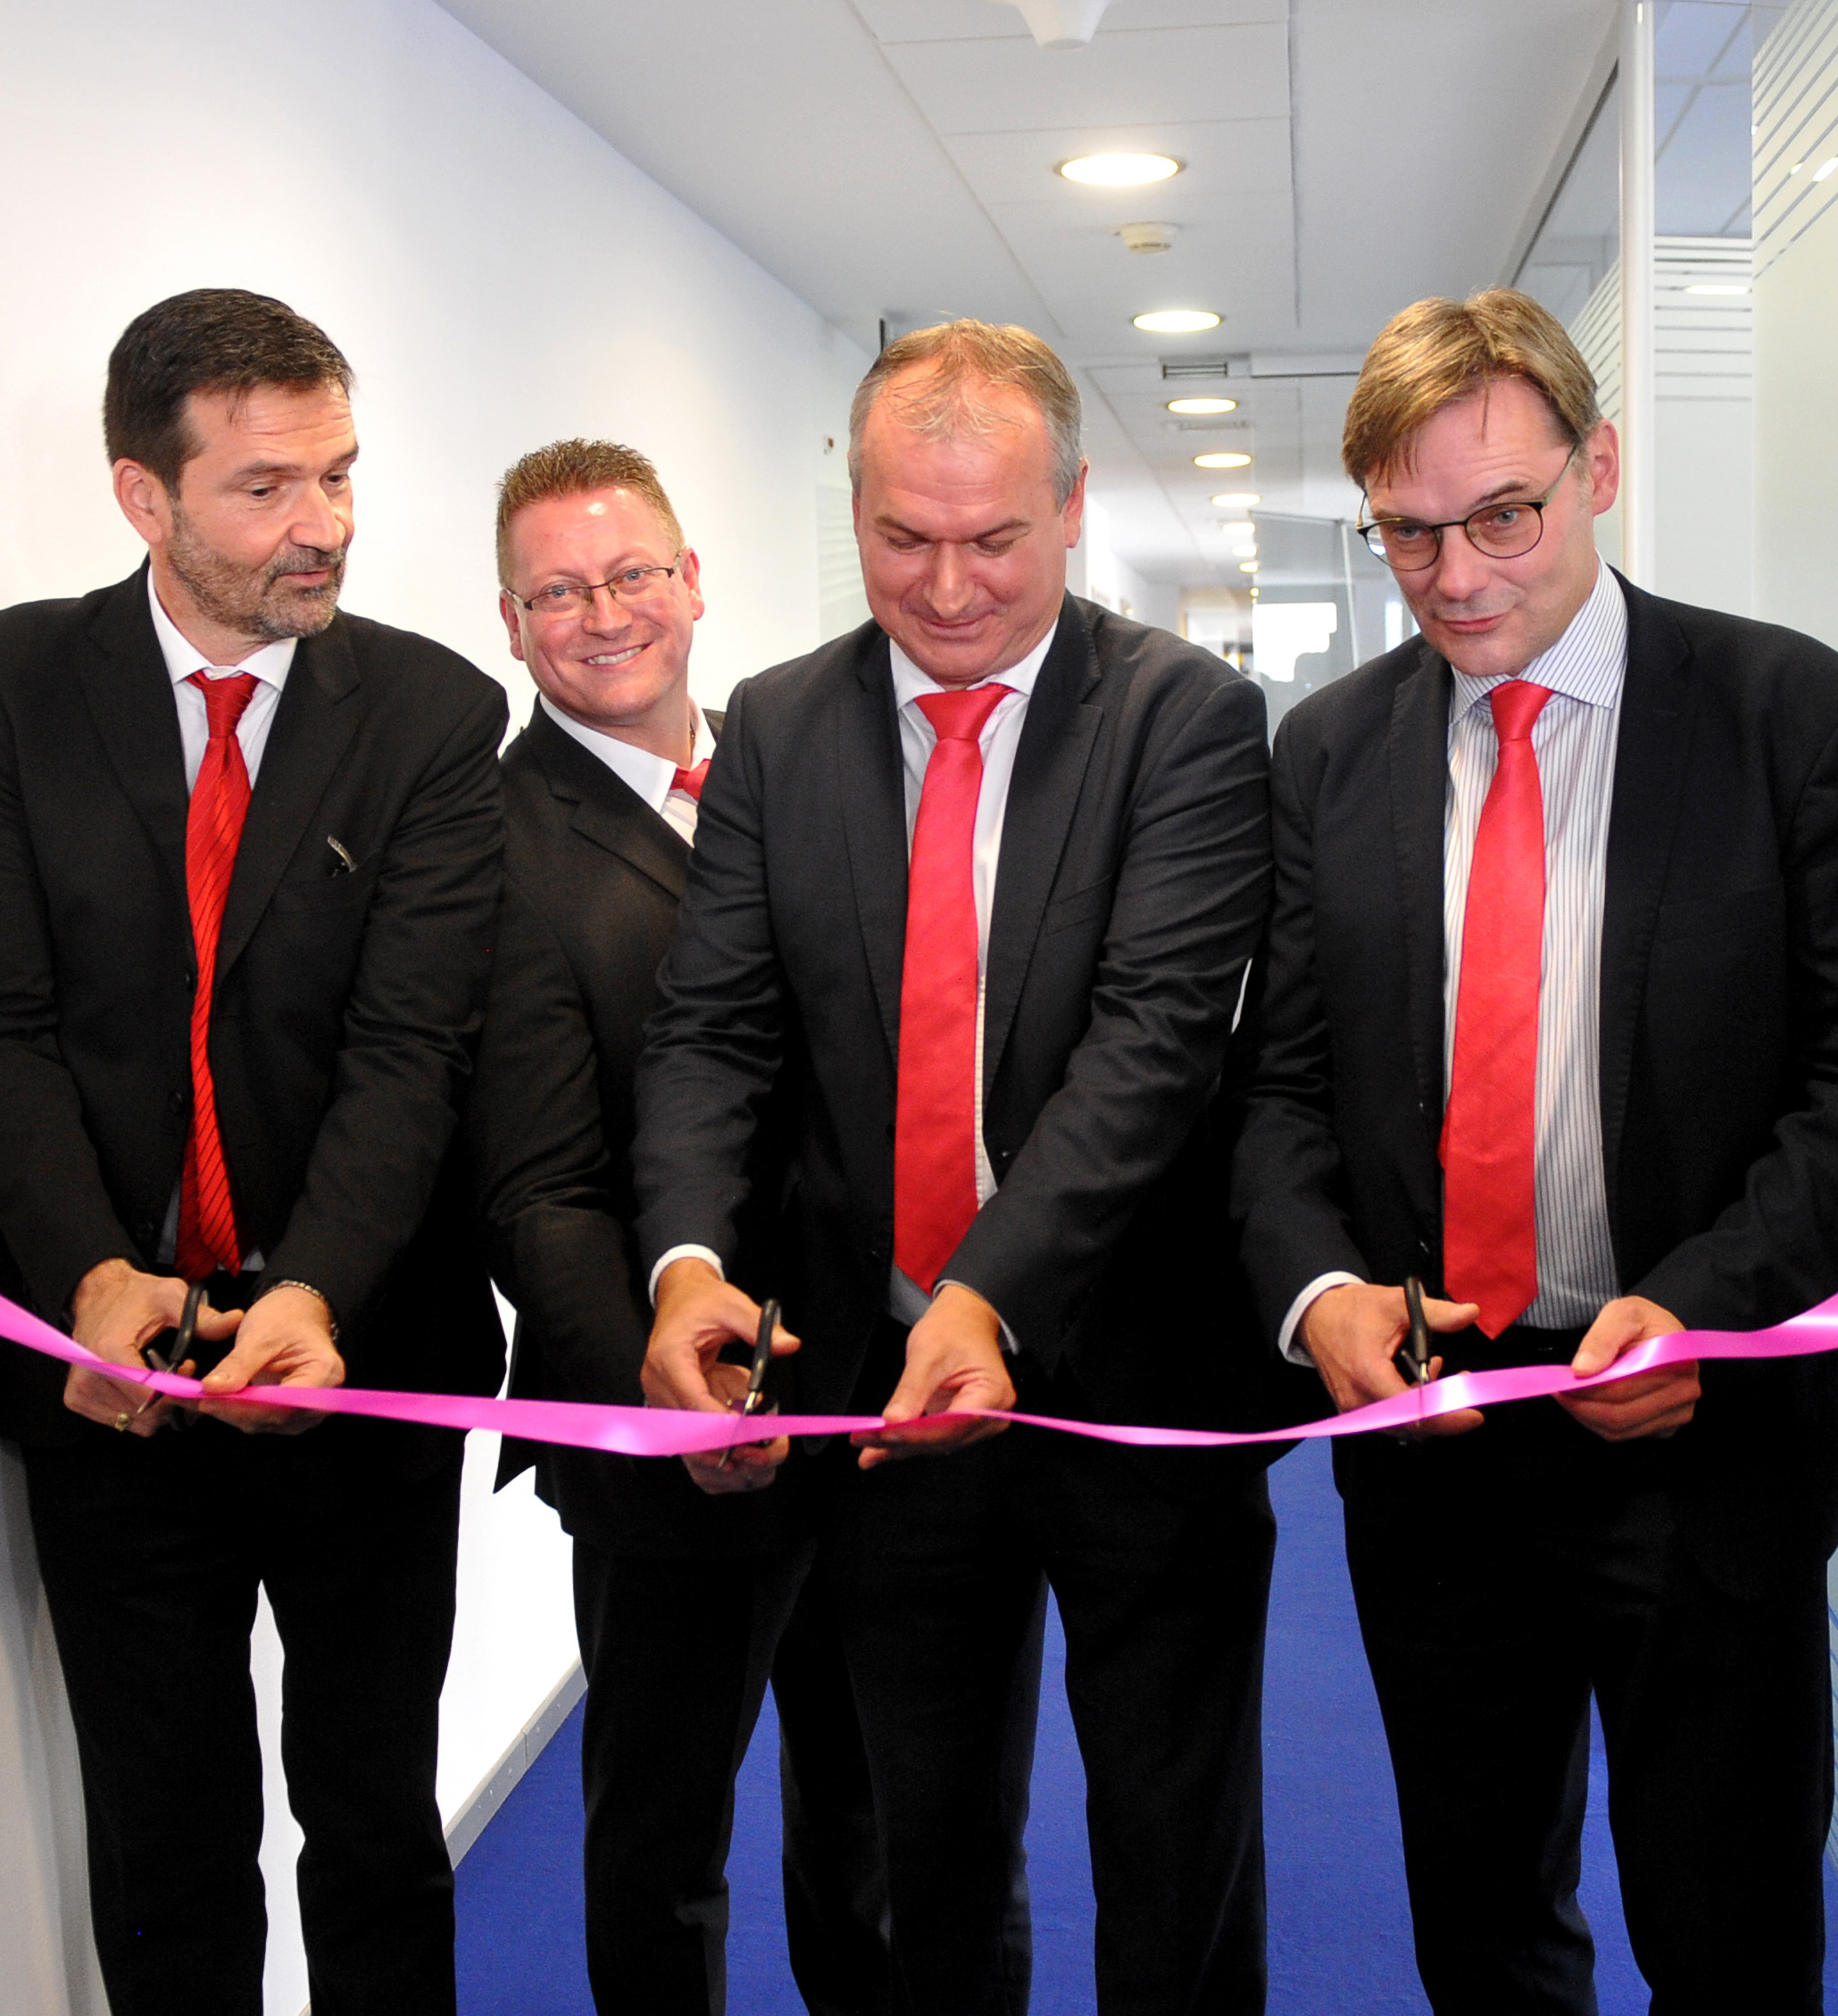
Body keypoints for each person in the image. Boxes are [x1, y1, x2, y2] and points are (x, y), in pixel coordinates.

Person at [1231, 288, 1838, 2012]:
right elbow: (1280, 1091)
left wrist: (1703, 1305)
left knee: (1727, 1928)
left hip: (1703, 1444)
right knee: (1480, 1923)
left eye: (1501, 515)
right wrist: (1319, 1291)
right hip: (1438, 1431)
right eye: (1405, 532)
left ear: (1597, 467)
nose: (1455, 575)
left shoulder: (1799, 721)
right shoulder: (1328, 750)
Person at [633, 321, 1279, 2014]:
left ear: (1071, 506)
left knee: (1172, 1851)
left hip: (1137, 1377)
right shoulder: (780, 724)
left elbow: (1153, 1043)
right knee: (920, 1854)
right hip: (880, 1385)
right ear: (850, 509)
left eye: (991, 538)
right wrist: (686, 1266)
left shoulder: (1184, 718)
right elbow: (711, 1030)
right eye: (899, 537)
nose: (943, 587)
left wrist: (987, 1293)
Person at [0, 287, 506, 2016]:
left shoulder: (430, 711)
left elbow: (410, 1053)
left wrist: (313, 1289)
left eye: (338, 474)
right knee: (166, 1846)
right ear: (143, 495)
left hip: (360, 1357)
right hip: (110, 1373)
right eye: (264, 487)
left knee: (374, 1825)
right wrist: (91, 1275)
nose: (321, 522)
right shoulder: (10, 684)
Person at [467, 437, 1040, 2015]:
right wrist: (658, 1379)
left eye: (633, 573)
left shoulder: (802, 764)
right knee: (664, 1843)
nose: (605, 615)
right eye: (558, 592)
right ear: (508, 622)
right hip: (669, 1424)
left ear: (694, 580)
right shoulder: (492, 848)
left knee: (886, 1825)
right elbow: (534, 1182)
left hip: (881, 1395)